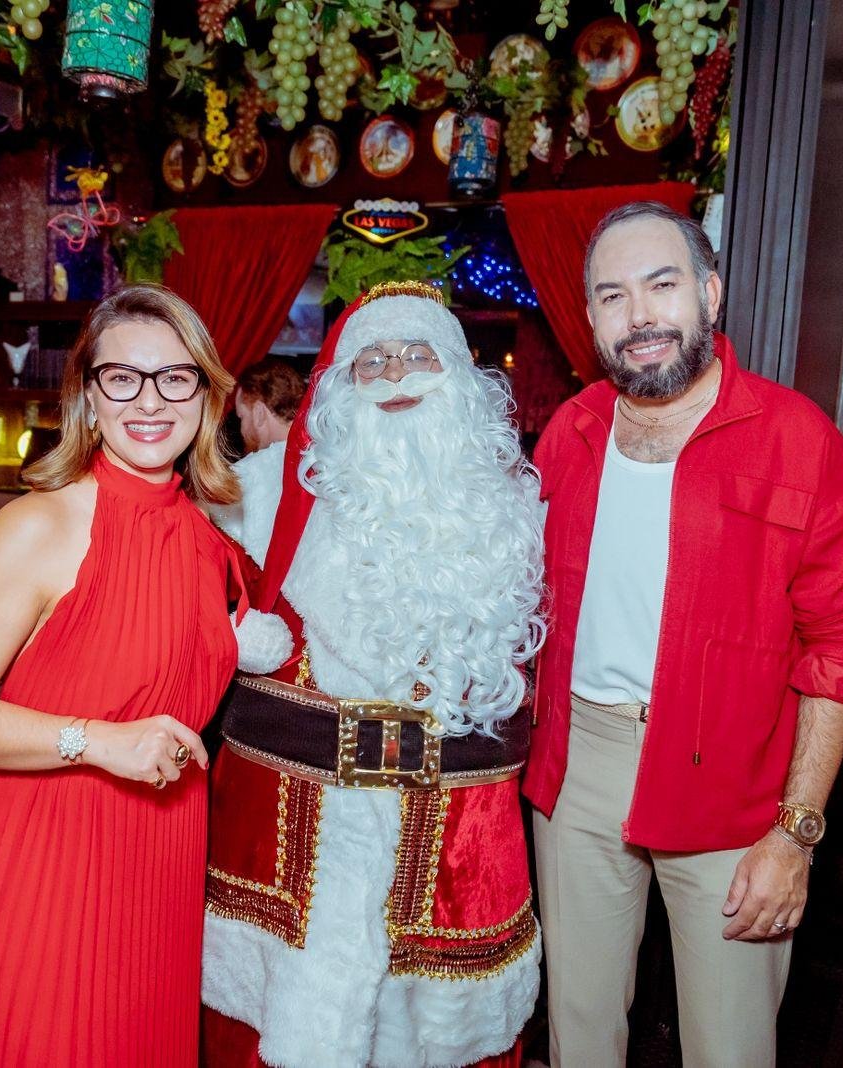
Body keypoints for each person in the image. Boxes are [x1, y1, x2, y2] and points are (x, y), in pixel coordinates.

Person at [527, 201, 843, 1066]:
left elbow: (836, 652)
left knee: (730, 1045)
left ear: (710, 294)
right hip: (579, 766)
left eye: (662, 285)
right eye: (612, 296)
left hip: (737, 785)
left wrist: (794, 832)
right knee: (578, 1029)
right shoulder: (570, 433)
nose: (639, 316)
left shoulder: (800, 441)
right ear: (591, 318)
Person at [0, 284, 275, 1065]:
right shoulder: (40, 524)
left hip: (160, 865)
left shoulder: (205, 539)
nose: (151, 400)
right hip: (40, 865)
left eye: (175, 377)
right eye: (123, 377)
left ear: (206, 395)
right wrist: (97, 741)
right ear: (88, 395)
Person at [201, 280, 547, 1067]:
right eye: (373, 361)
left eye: (418, 355)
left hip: (452, 860)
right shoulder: (260, 500)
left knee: (436, 1041)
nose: (394, 374)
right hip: (289, 859)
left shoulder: (516, 517)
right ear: (339, 388)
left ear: (457, 378)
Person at [233, 356, 305, 454]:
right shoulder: (321, 451)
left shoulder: (255, 463)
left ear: (259, 413)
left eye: (242, 417)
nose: (241, 430)